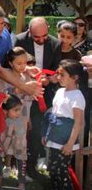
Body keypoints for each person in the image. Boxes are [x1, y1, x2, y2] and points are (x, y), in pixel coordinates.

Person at [14, 17, 62, 178]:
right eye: (36, 37)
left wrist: (49, 79)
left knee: (36, 129)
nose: (41, 40)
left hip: (44, 93)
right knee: (19, 127)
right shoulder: (19, 40)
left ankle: (32, 164)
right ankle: (15, 162)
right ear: (29, 31)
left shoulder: (55, 43)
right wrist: (28, 72)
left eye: (44, 36)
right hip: (23, 89)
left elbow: (56, 68)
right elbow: (12, 63)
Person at [42, 59, 86, 190]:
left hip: (66, 141)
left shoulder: (77, 96)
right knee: (52, 168)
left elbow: (78, 122)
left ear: (75, 77)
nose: (59, 77)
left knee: (61, 170)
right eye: (58, 74)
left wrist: (70, 143)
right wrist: (46, 134)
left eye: (63, 75)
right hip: (54, 137)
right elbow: (54, 113)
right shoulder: (60, 91)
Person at [0, 47, 34, 189]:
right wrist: (16, 90)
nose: (23, 66)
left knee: (21, 148)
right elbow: (2, 96)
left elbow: (29, 102)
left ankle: (21, 182)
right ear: (11, 62)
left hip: (21, 121)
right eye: (19, 63)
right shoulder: (5, 75)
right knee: (1, 146)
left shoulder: (27, 77)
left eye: (25, 62)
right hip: (5, 120)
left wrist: (28, 119)